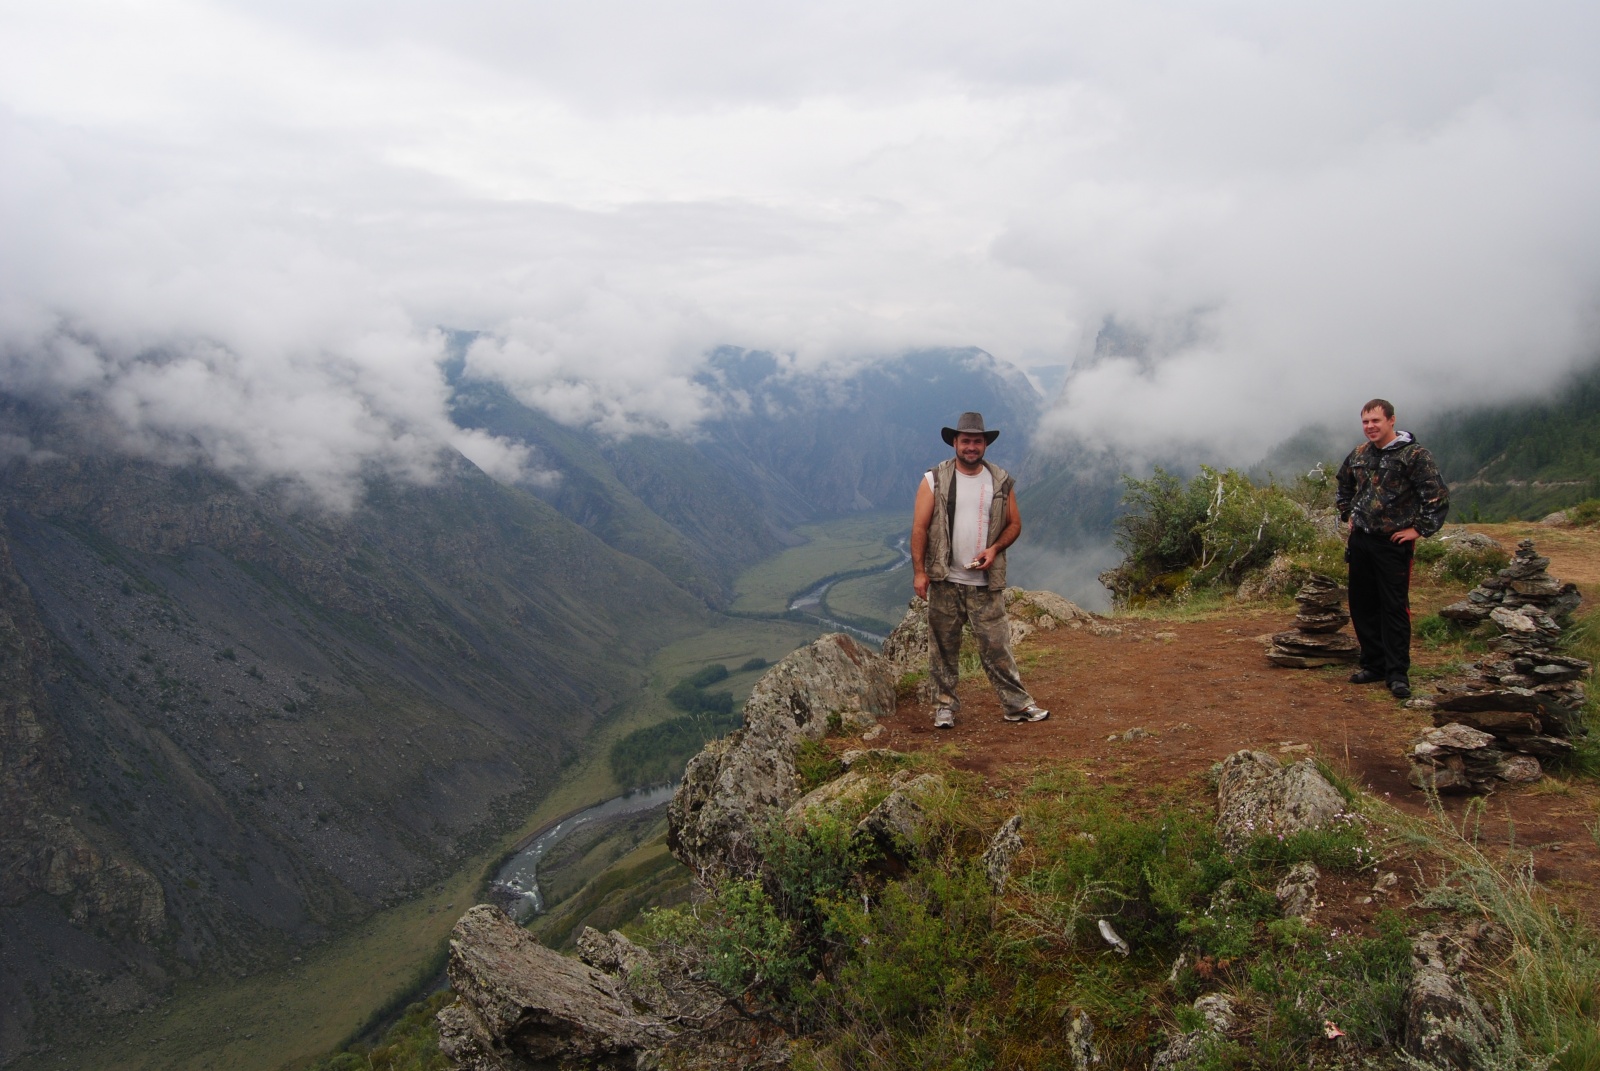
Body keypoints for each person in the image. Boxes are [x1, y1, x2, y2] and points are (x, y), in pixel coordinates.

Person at [910, 411, 1049, 729]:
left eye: (977, 441)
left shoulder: (1000, 480)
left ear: (985, 444)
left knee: (997, 644)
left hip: (986, 582)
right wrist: (920, 572)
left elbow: (1015, 524)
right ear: (955, 443)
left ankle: (1017, 705)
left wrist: (994, 549)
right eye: (966, 440)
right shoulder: (934, 479)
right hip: (945, 579)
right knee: (943, 648)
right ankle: (945, 707)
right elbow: (919, 529)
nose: (971, 446)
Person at [1335, 398, 1450, 700]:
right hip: (1361, 541)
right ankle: (1374, 664)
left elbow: (1436, 496)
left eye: (1375, 421)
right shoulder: (1359, 454)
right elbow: (1343, 484)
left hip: (1392, 543)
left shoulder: (1414, 455)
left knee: (1394, 606)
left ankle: (1397, 673)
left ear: (1391, 420)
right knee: (1362, 604)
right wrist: (1349, 514)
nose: (1370, 427)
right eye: (1365, 422)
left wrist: (1419, 529)